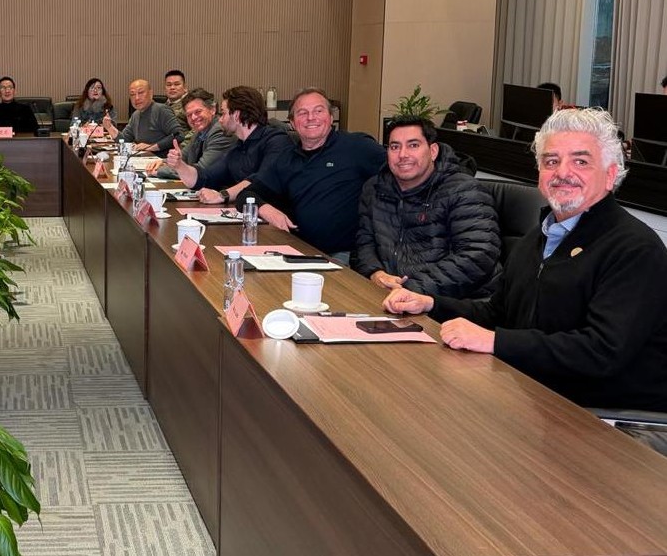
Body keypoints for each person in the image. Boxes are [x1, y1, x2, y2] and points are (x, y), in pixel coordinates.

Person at [383, 109, 667, 450]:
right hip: (532, 397)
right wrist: (431, 304)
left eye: (580, 161)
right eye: (551, 161)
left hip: (605, 422)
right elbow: (499, 313)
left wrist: (495, 342)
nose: (562, 172)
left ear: (610, 175)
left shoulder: (634, 248)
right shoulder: (539, 237)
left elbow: (601, 351)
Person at [354, 116, 501, 298]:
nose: (402, 154)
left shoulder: (464, 190)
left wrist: (411, 289)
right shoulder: (375, 188)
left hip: (454, 302)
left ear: (433, 151)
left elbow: (477, 256)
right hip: (390, 295)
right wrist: (375, 272)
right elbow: (364, 242)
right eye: (395, 147)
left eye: (413, 145)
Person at [242, 88, 386, 261]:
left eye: (318, 111)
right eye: (302, 113)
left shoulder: (357, 147)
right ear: (292, 123)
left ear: (331, 117)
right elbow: (246, 195)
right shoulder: (287, 158)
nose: (311, 118)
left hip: (344, 255)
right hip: (297, 250)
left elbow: (400, 172)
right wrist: (266, 209)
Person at [170, 86, 292, 202]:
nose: (220, 119)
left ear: (236, 115)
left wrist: (222, 195)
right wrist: (180, 166)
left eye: (223, 113)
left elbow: (261, 181)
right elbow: (205, 177)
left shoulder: (277, 141)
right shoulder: (238, 148)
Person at [148, 88, 234, 180]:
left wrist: (160, 171)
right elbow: (184, 156)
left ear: (212, 110)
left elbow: (201, 171)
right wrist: (164, 162)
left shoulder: (220, 131)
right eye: (189, 115)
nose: (193, 118)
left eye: (198, 112)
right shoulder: (199, 131)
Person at [102, 79, 183, 156]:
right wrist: (109, 127)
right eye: (132, 94)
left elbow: (178, 135)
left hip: (162, 160)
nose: (136, 98)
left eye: (140, 92)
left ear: (151, 93)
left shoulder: (161, 110)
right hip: (143, 160)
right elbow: (124, 140)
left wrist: (152, 147)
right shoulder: (135, 115)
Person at [163, 70, 191, 144]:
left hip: (182, 147)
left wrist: (181, 147)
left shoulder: (190, 106)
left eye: (177, 84)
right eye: (169, 85)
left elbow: (197, 131)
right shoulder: (162, 107)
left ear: (185, 88)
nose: (172, 87)